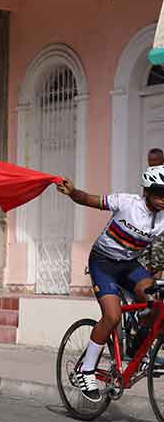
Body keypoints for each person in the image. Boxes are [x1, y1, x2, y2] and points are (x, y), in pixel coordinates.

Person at [57, 166, 164, 402]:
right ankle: (86, 370)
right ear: (147, 191)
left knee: (155, 301)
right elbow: (90, 200)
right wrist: (73, 191)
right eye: (160, 193)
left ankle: (137, 347)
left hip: (129, 264)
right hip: (103, 263)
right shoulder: (127, 203)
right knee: (112, 316)